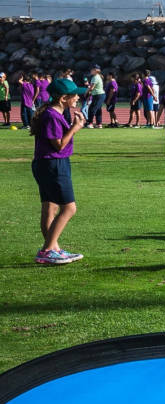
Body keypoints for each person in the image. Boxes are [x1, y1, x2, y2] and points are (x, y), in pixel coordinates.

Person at [31, 78, 86, 265]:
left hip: (47, 164)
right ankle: (47, 250)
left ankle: (54, 249)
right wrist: (75, 128)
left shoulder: (53, 113)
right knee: (69, 208)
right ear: (64, 98)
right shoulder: (52, 116)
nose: (78, 97)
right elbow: (59, 145)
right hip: (53, 164)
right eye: (74, 95)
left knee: (50, 207)